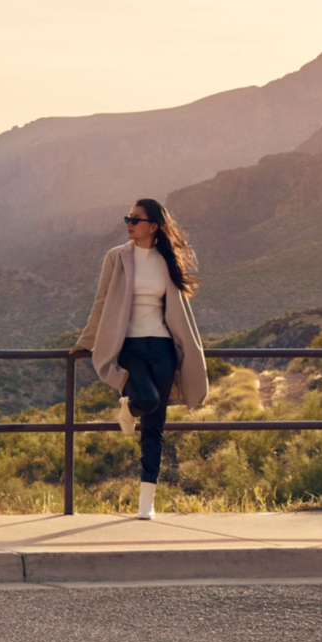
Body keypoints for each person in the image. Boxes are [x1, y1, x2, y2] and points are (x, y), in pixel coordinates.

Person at [68, 198, 208, 519]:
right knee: (146, 398)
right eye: (128, 218)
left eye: (136, 219)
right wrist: (85, 341)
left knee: (155, 426)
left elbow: (178, 309)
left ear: (153, 227)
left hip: (162, 348)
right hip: (129, 346)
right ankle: (128, 406)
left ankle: (147, 502)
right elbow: (101, 303)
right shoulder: (116, 258)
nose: (129, 223)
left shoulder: (166, 261)